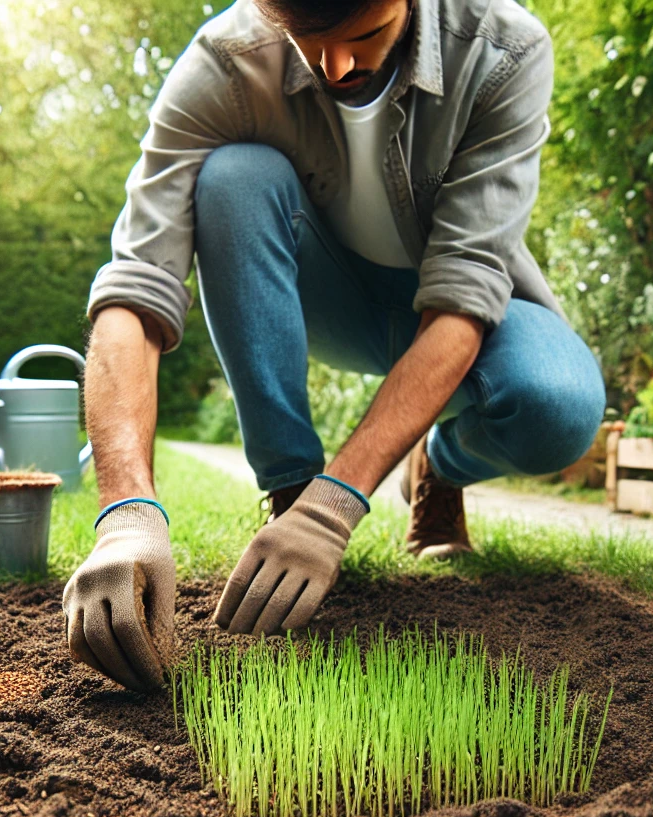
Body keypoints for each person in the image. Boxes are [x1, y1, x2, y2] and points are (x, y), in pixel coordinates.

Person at [62, 0, 606, 692]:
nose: (337, 67)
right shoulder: (227, 62)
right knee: (233, 177)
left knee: (559, 405)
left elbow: (463, 302)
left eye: (365, 35)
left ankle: (439, 467)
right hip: (326, 302)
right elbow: (133, 288)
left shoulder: (502, 51)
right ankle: (291, 497)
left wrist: (341, 502)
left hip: (456, 311)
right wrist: (125, 514)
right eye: (307, 41)